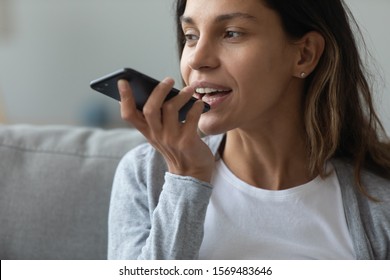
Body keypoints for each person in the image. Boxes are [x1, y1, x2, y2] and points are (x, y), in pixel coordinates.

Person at [108, 0, 390, 259]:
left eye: (231, 33)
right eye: (191, 36)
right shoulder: (147, 176)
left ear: (304, 55)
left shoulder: (379, 204)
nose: (197, 59)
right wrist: (187, 182)